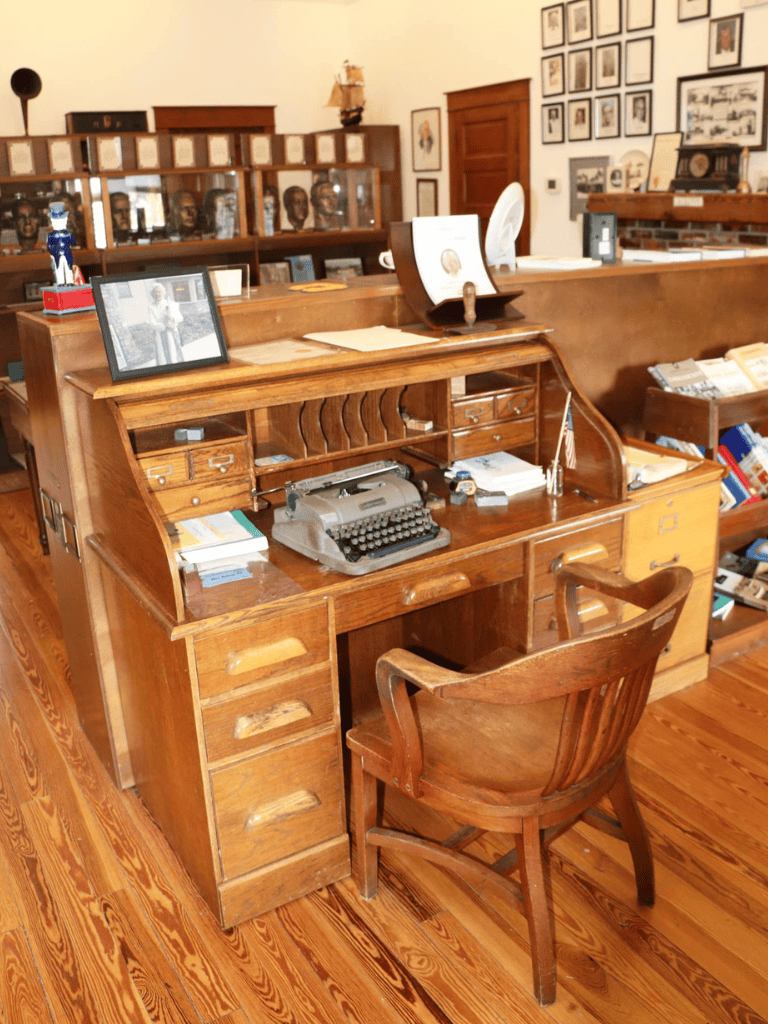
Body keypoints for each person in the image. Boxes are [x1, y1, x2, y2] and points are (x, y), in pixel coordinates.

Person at [147, 282, 183, 364]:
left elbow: (180, 318)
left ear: (163, 293)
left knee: (175, 355)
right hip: (159, 334)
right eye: (155, 292)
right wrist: (162, 327)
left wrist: (173, 318)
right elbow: (151, 322)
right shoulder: (151, 307)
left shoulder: (170, 304)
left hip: (172, 333)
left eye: (159, 292)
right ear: (152, 295)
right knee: (162, 356)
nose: (157, 294)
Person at [47, 201, 75, 285]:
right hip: (56, 254)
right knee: (59, 268)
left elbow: (73, 242)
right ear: (52, 221)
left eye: (60, 220)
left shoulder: (68, 233)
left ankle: (69, 281)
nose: (58, 222)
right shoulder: (51, 234)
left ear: (65, 220)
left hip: (67, 253)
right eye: (56, 220)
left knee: (68, 267)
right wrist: (52, 253)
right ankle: (61, 282)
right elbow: (49, 245)